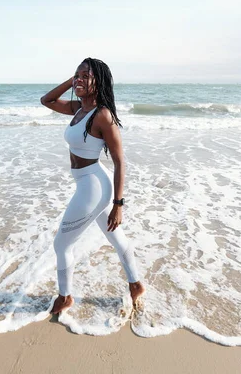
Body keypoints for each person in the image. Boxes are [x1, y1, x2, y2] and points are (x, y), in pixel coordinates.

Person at [40, 57, 145, 315]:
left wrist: (118, 205)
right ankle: (136, 284)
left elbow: (120, 161)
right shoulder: (78, 109)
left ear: (99, 81)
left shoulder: (102, 115)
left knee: (62, 245)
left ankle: (65, 297)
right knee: (117, 239)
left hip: (94, 187)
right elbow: (47, 100)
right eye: (78, 74)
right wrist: (73, 81)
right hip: (87, 183)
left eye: (86, 75)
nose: (80, 79)